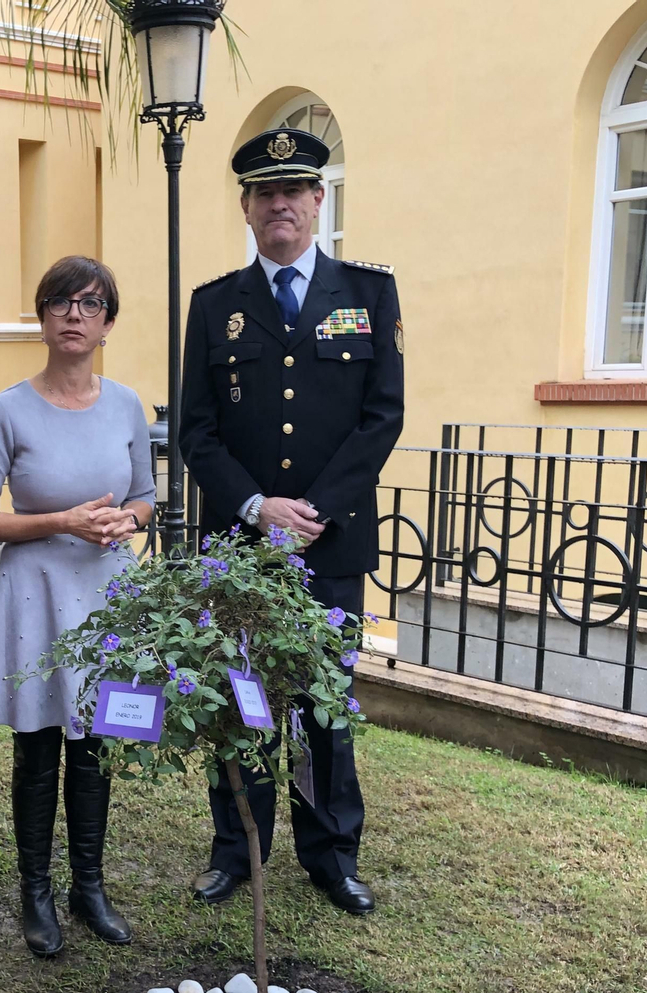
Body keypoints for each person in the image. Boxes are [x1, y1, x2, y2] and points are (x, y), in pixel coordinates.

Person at [178, 127, 404, 917]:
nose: (280, 203)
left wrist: (311, 512)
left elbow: (382, 417)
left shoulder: (369, 296)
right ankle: (236, 849)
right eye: (264, 192)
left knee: (322, 702)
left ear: (318, 200)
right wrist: (254, 506)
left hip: (330, 542)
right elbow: (195, 432)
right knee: (241, 698)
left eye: (295, 190)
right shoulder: (214, 307)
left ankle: (330, 854)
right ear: (246, 207)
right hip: (239, 547)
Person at [0, 256, 155, 957]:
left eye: (91, 303)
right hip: (36, 593)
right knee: (40, 746)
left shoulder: (127, 404)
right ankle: (36, 888)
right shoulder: (7, 409)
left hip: (105, 592)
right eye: (61, 302)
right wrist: (61, 522)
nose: (75, 314)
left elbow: (145, 497)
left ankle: (89, 885)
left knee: (95, 745)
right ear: (42, 318)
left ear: (108, 323)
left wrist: (124, 523)